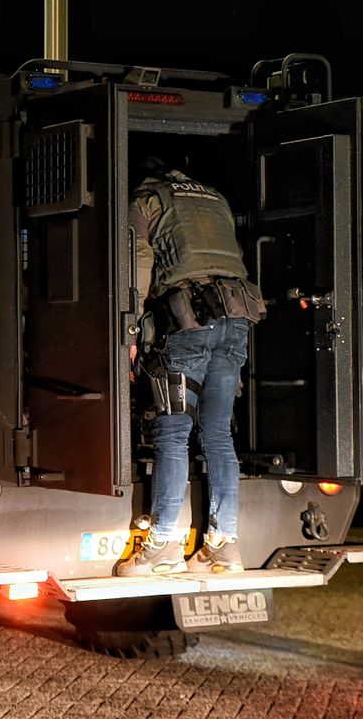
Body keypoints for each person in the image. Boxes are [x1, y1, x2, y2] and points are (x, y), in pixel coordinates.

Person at [114, 155, 265, 577]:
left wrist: (130, 329)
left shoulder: (147, 199)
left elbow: (137, 260)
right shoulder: (215, 198)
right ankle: (224, 546)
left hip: (189, 320)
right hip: (236, 318)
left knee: (173, 432)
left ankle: (162, 545)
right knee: (217, 434)